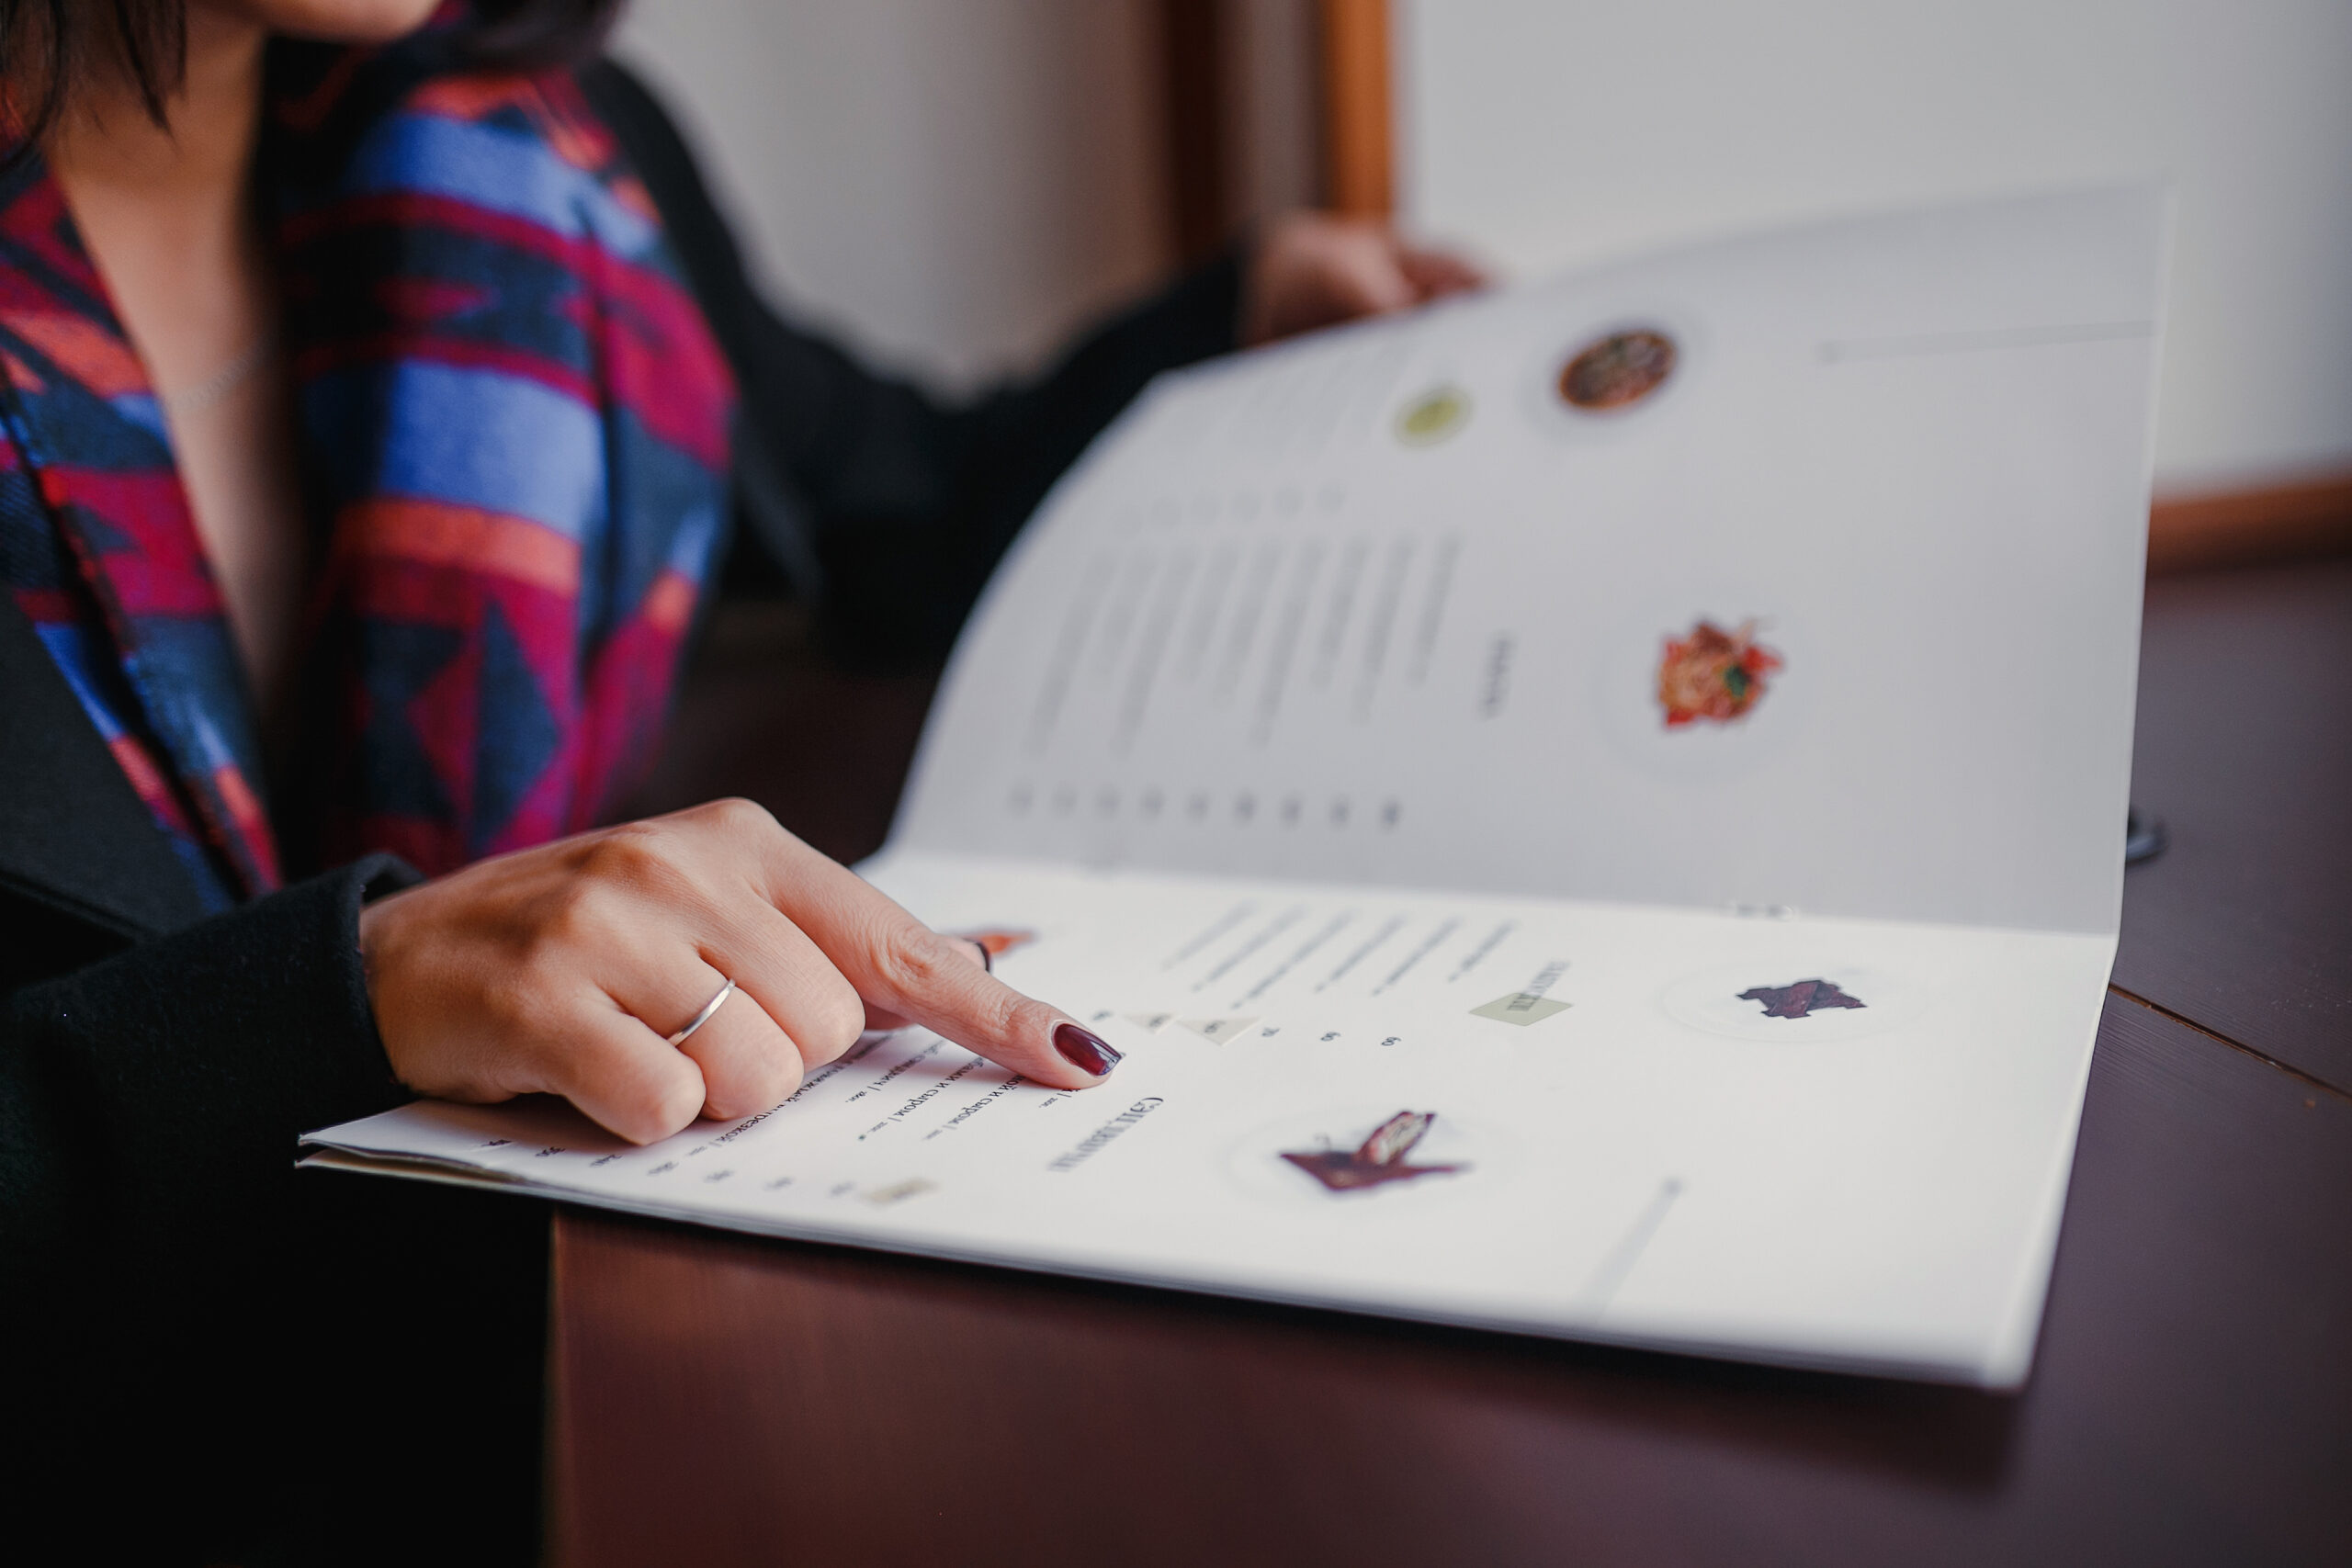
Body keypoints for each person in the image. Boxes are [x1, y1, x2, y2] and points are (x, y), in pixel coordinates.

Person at [0, 0, 1480, 1558]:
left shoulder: (545, 171)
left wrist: (1234, 328)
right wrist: (328, 1008)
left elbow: (896, 515)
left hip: (553, 1429)